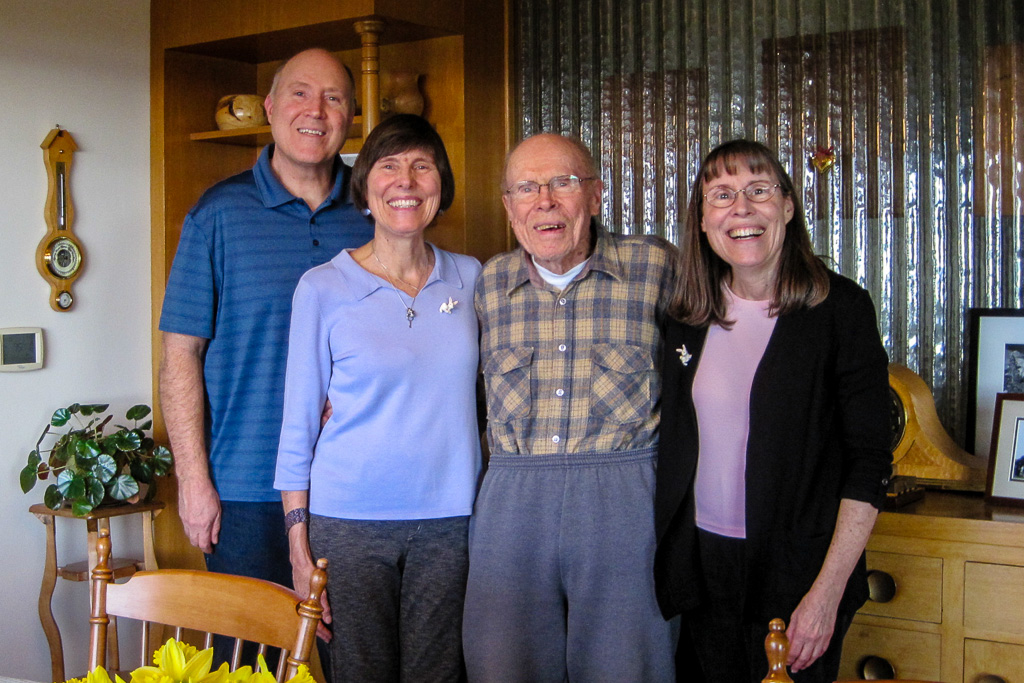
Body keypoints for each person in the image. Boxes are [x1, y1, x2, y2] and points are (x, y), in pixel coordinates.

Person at [158, 47, 373, 650]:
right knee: (249, 660)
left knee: (343, 657)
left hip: (349, 489)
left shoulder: (375, 211)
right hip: (244, 490)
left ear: (352, 116)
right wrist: (194, 482)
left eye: (334, 98)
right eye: (300, 94)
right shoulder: (217, 215)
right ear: (272, 108)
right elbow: (181, 357)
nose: (316, 110)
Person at [653, 139, 892, 682]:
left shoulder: (841, 311)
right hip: (702, 567)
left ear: (787, 207)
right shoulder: (685, 317)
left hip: (800, 572)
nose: (741, 208)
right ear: (703, 221)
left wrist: (826, 594)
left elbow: (869, 462)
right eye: (722, 195)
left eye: (759, 190)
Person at [275, 114, 482, 683]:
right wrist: (298, 541)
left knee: (438, 675)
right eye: (388, 166)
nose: (406, 181)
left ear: (441, 185)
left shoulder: (473, 279)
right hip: (348, 523)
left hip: (451, 519)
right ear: (366, 188)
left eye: (422, 166)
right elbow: (298, 425)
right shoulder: (322, 288)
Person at [463, 133, 678, 681]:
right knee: (503, 666)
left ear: (596, 196)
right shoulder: (488, 284)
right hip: (511, 504)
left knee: (628, 667)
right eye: (526, 188)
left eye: (563, 182)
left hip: (626, 500)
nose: (546, 201)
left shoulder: (656, 267)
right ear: (509, 207)